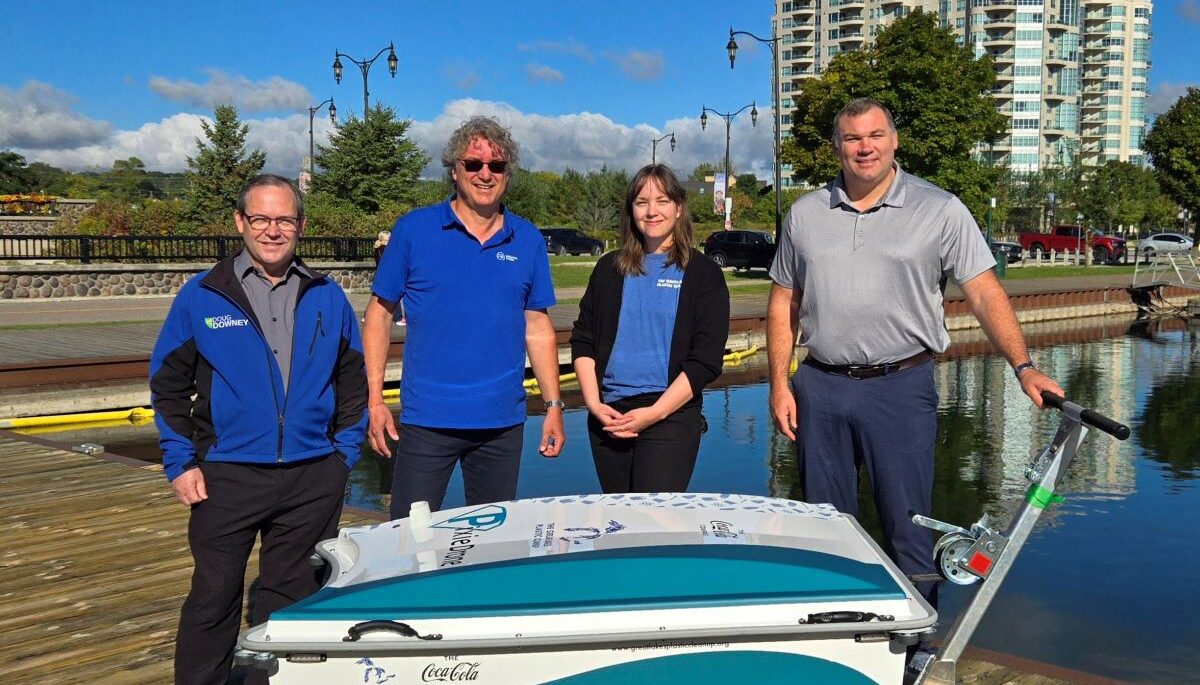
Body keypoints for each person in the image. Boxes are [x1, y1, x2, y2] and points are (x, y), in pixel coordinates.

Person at [766, 98, 1063, 618]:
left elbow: (984, 292)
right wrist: (778, 384)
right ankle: (835, 630)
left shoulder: (940, 209)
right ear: (836, 147)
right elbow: (783, 301)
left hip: (899, 388)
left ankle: (916, 641)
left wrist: (1024, 367)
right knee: (824, 525)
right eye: (852, 138)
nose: (865, 147)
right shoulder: (805, 214)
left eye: (875, 135)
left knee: (908, 526)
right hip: (821, 386)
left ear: (894, 140)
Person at [150, 174, 367, 685]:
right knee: (214, 596)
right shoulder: (203, 295)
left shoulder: (327, 296)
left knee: (291, 597)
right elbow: (168, 385)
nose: (273, 230)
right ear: (240, 222)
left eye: (285, 219)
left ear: (301, 225)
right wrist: (180, 462)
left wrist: (342, 458)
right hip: (226, 475)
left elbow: (354, 381)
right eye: (261, 218)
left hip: (312, 476)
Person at [362, 116, 564, 520]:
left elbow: (538, 327)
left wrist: (554, 405)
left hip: (501, 423)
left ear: (507, 174)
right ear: (454, 170)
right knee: (409, 535)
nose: (485, 174)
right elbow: (379, 316)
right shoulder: (414, 230)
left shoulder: (526, 239)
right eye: (473, 164)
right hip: (428, 420)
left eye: (496, 165)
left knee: (492, 541)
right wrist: (375, 399)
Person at [571, 164, 729, 493]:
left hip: (669, 415)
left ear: (679, 207)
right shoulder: (609, 269)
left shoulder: (703, 274)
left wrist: (654, 413)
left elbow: (705, 361)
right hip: (609, 415)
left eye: (662, 201)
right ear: (631, 210)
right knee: (618, 518)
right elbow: (583, 341)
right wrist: (594, 405)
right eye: (642, 202)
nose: (652, 211)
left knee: (654, 518)